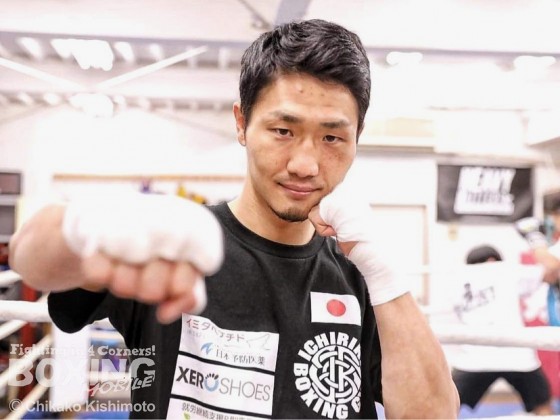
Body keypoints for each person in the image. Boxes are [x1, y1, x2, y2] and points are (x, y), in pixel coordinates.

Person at [9, 19, 459, 419]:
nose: (305, 164)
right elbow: (31, 259)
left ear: (357, 137)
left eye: (332, 138)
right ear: (242, 124)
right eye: (283, 131)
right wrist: (85, 225)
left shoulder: (361, 274)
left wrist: (383, 273)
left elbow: (434, 415)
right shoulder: (175, 249)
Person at [450, 245, 553, 415]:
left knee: (445, 406)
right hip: (516, 354)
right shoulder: (505, 271)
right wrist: (535, 240)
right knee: (543, 407)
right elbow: (553, 270)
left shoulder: (455, 279)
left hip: (476, 357)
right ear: (493, 261)